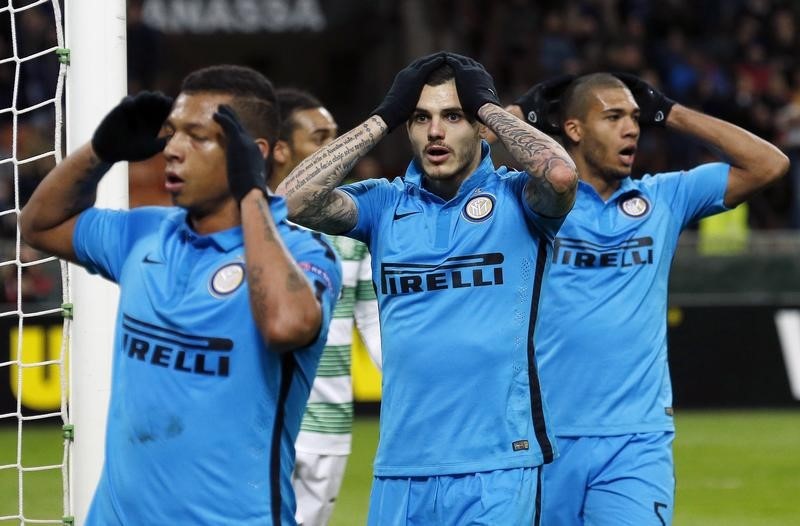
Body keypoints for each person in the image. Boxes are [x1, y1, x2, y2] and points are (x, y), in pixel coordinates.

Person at [19, 65, 342, 525]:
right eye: (171, 133)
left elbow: (285, 325)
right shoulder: (146, 233)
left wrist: (251, 192)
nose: (171, 150)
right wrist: (99, 151)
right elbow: (39, 225)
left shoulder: (303, 253)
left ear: (252, 154)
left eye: (197, 136)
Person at [277, 51, 578, 525]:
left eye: (453, 116)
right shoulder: (383, 204)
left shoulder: (517, 199)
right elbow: (289, 202)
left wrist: (489, 110)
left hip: (498, 466)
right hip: (401, 468)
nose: (435, 131)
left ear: (480, 125)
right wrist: (382, 117)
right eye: (420, 118)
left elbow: (560, 175)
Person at [508, 73, 789, 525]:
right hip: (543, 438)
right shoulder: (531, 201)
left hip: (636, 440)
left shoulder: (663, 198)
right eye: (614, 117)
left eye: (636, 119)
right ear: (575, 129)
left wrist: (671, 111)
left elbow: (768, 165)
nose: (632, 128)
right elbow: (473, 158)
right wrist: (520, 113)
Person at [271, 87, 382, 526]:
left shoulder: (350, 227)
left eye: (337, 136)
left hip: (327, 428)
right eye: (320, 137)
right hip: (260, 420)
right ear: (280, 149)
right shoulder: (242, 224)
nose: (336, 149)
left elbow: (372, 320)